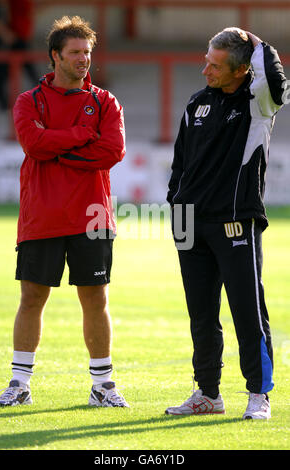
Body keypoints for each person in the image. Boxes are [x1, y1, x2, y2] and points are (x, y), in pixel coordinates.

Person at [0, 16, 129, 408]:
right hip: (43, 214)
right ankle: (19, 383)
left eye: (88, 52)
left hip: (92, 216)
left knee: (95, 299)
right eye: (76, 53)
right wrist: (80, 137)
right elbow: (34, 145)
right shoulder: (27, 101)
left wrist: (58, 147)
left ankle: (102, 386)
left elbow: (112, 152)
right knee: (32, 297)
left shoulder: (105, 102)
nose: (84, 59)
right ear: (55, 56)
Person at [165, 28, 287, 420]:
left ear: (239, 71)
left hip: (236, 220)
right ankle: (207, 394)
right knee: (200, 313)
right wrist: (176, 205)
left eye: (215, 65)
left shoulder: (258, 104)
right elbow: (180, 163)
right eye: (206, 61)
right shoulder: (197, 103)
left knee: (248, 312)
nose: (205, 71)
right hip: (189, 222)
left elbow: (275, 79)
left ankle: (258, 394)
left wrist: (256, 42)